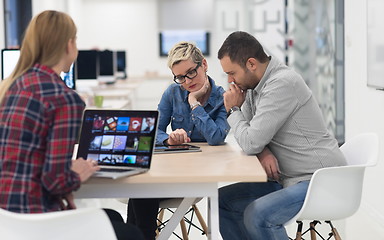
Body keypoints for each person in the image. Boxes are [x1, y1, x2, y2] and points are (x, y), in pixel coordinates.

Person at [0, 10, 143, 240]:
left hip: (7, 222)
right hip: (39, 221)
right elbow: (55, 181)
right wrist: (75, 173)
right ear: (69, 44)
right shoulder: (64, 98)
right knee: (132, 234)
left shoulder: (9, 88)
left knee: (111, 217)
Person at [217, 31, 347, 240]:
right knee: (222, 201)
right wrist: (263, 151)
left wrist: (233, 110)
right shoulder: (253, 86)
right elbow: (252, 135)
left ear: (251, 64)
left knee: (259, 214)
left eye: (232, 73)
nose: (230, 80)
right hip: (289, 178)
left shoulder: (281, 83)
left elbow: (250, 141)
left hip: (320, 179)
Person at [127, 41, 230, 239]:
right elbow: (152, 130)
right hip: (171, 171)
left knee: (140, 193)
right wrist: (168, 140)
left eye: (191, 72)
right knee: (140, 189)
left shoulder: (221, 98)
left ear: (204, 65)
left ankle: (142, 235)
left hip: (201, 175)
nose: (187, 81)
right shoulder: (172, 93)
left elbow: (217, 137)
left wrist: (194, 104)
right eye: (180, 77)